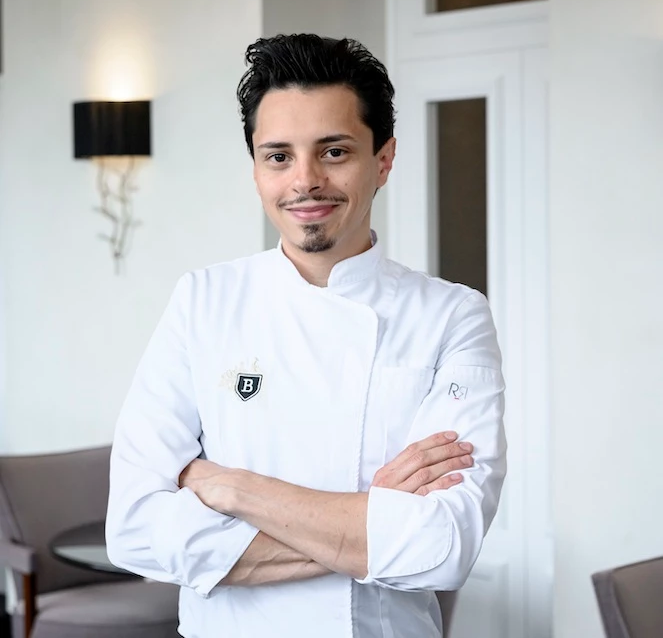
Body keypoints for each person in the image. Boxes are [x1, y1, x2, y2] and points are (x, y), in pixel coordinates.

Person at [106, 34, 507, 638]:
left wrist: (227, 484)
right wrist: (369, 525)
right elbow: (134, 529)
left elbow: (444, 547)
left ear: (384, 159)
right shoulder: (203, 302)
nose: (305, 180)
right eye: (278, 156)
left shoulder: (452, 316)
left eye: (335, 151)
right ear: (257, 170)